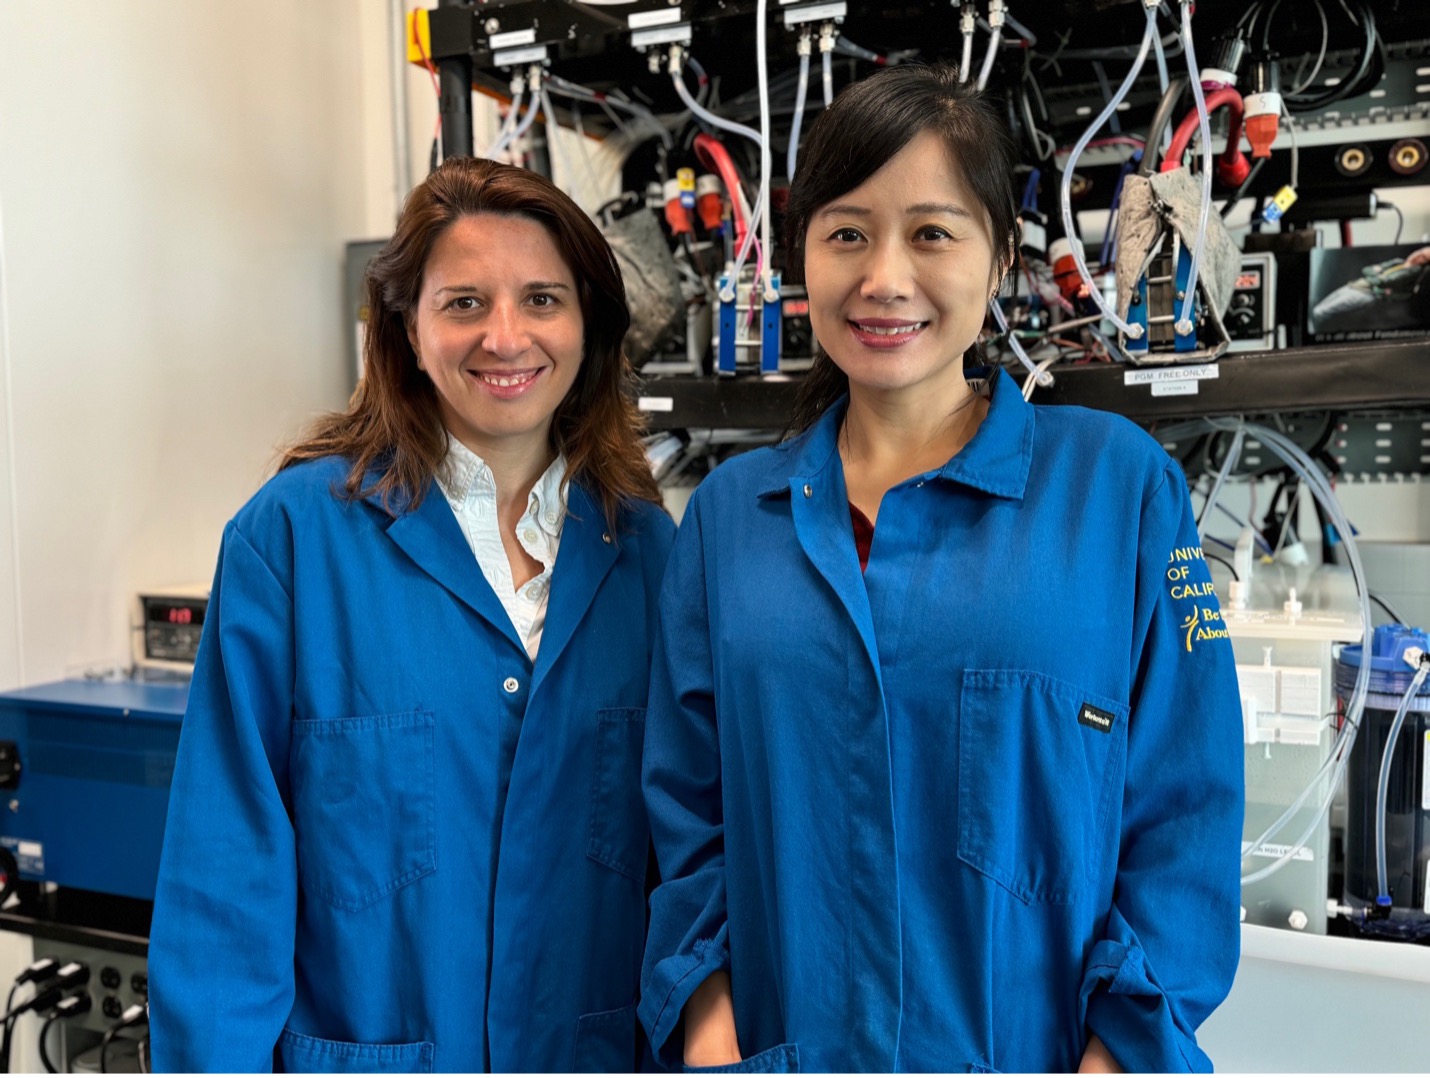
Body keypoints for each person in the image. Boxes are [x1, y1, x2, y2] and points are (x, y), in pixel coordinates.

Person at [640, 65, 1243, 1074]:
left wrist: (1117, 1056)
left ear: (1001, 254)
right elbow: (683, 815)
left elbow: (1184, 812)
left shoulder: (1117, 491)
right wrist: (712, 1035)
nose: (882, 277)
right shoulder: (726, 521)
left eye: (930, 232)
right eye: (845, 233)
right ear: (800, 259)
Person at [149, 157, 674, 1072]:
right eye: (464, 302)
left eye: (543, 299)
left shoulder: (652, 559)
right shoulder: (294, 543)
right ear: (408, 327)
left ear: (589, 326)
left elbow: (685, 869)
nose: (504, 338)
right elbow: (223, 887)